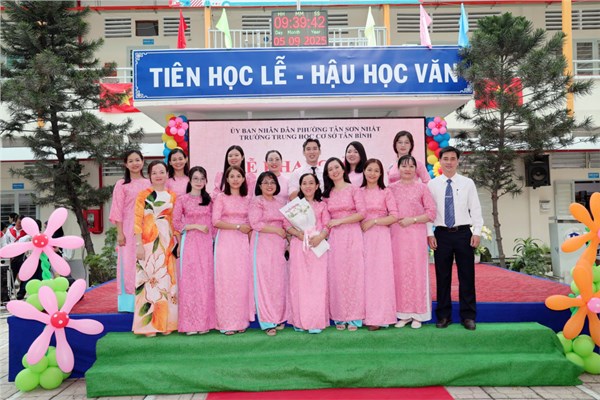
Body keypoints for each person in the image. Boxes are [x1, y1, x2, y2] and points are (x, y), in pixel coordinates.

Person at [427, 146, 483, 331]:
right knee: (442, 277)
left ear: (458, 161)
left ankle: (468, 316)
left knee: (467, 276)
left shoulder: (468, 183)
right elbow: (429, 211)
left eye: (453, 159)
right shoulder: (432, 184)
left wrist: (477, 232)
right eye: (445, 159)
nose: (449, 162)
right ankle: (444, 316)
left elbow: (475, 208)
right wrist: (429, 233)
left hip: (463, 234)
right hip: (441, 234)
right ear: (440, 161)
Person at [390, 155, 436, 329]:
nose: (407, 169)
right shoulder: (391, 189)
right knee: (399, 273)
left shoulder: (422, 188)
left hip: (416, 236)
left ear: (416, 169)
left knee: (417, 273)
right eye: (404, 166)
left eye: (411, 166)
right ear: (398, 168)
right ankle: (403, 314)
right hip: (396, 236)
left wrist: (413, 219)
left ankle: (418, 314)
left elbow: (431, 212)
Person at [133, 161, 178, 337]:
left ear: (167, 174)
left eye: (162, 172)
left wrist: (177, 241)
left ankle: (167, 323)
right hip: (148, 242)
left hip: (167, 243)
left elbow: (175, 221)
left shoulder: (172, 196)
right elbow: (137, 221)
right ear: (150, 176)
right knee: (149, 281)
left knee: (166, 280)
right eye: (154, 172)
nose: (158, 175)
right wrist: (139, 244)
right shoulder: (143, 195)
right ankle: (148, 326)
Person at [323, 157, 366, 331]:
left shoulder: (354, 189)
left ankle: (354, 317)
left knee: (354, 275)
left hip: (353, 234)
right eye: (330, 169)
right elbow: (325, 219)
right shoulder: (327, 195)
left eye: (336, 167)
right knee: (337, 276)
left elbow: (362, 213)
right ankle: (339, 316)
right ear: (327, 174)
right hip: (335, 238)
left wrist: (340, 221)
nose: (334, 171)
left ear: (343, 169)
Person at [172, 166, 215, 335]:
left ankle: (204, 323)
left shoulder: (209, 200)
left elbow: (214, 223)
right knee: (190, 282)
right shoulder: (182, 200)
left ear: (206, 181)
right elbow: (176, 223)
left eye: (202, 179)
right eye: (195, 178)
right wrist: (195, 226)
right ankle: (190, 324)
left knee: (205, 282)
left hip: (206, 244)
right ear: (189, 180)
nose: (199, 182)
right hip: (189, 243)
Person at [212, 165, 254, 335]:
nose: (235, 179)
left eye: (238, 176)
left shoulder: (248, 199)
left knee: (241, 281)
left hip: (242, 244)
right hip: (225, 242)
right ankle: (226, 322)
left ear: (243, 179)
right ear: (227, 180)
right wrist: (237, 226)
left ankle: (240, 321)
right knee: (226, 281)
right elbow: (215, 221)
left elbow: (251, 223)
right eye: (232, 176)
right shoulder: (221, 198)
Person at [286, 173, 330, 334]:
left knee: (317, 283)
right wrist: (298, 234)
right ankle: (300, 321)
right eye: (304, 183)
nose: (308, 186)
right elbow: (286, 224)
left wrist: (320, 237)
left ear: (317, 186)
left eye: (311, 183)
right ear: (300, 186)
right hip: (300, 246)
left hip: (317, 246)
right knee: (300, 283)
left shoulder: (322, 205)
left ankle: (315, 321)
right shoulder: (294, 205)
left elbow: (327, 225)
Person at [109, 150, 151, 313]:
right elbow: (117, 209)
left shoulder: (149, 183)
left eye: (137, 160)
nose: (135, 163)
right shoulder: (121, 184)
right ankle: (129, 303)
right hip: (127, 228)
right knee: (128, 263)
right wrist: (120, 233)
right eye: (131, 161)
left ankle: (147, 300)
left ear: (143, 161)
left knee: (146, 262)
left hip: (147, 229)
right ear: (125, 164)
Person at [360, 159, 398, 330]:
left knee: (380, 276)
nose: (372, 173)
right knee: (364, 276)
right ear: (364, 171)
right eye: (369, 169)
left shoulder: (386, 192)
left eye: (376, 170)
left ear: (381, 173)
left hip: (381, 237)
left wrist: (374, 221)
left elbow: (394, 216)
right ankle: (364, 315)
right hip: (361, 237)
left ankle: (381, 317)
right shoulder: (358, 191)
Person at [249, 171, 288, 336]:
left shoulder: (281, 202)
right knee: (264, 281)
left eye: (272, 182)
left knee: (278, 281)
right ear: (259, 185)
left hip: (278, 246)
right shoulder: (256, 201)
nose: (269, 185)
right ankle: (267, 321)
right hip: (262, 243)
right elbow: (255, 223)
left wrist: (289, 237)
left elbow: (286, 223)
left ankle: (278, 317)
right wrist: (276, 230)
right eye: (265, 182)